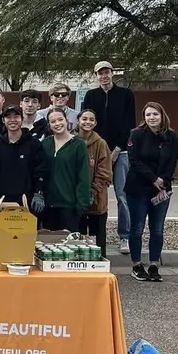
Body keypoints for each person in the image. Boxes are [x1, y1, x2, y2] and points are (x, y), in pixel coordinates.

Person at [83, 61, 137, 256]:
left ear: (112, 73)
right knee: (94, 192)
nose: (104, 76)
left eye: (107, 72)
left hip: (120, 152)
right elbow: (87, 123)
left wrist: (116, 149)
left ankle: (125, 236)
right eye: (100, 73)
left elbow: (129, 124)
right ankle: (88, 236)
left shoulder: (126, 95)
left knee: (122, 196)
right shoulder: (91, 95)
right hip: (95, 153)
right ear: (96, 76)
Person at [125, 102, 178, 282]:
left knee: (157, 230)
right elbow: (134, 161)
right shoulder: (136, 134)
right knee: (137, 228)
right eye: (148, 115)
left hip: (161, 190)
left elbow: (173, 161)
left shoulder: (171, 136)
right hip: (138, 188)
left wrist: (163, 180)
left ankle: (154, 265)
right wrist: (153, 178)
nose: (151, 118)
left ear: (162, 115)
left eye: (155, 114)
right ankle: (137, 265)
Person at [0, 105, 46, 212]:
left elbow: (40, 172)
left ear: (22, 119)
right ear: (3, 120)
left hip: (27, 203)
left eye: (16, 116)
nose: (12, 120)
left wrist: (38, 194)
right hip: (2, 203)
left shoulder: (34, 144)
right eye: (8, 117)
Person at [41, 108, 91, 232]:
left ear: (66, 120)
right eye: (53, 121)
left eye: (60, 119)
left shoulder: (78, 145)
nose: (57, 124)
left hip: (70, 205)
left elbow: (83, 176)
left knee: (67, 246)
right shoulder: (45, 144)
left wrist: (82, 203)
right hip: (48, 205)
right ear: (49, 125)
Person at [76, 109, 113, 257]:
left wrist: (92, 192)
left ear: (95, 123)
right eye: (84, 119)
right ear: (78, 121)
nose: (87, 122)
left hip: (96, 201)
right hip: (76, 200)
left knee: (97, 240)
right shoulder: (71, 141)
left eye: (91, 119)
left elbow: (104, 173)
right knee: (77, 238)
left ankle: (99, 267)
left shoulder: (101, 144)